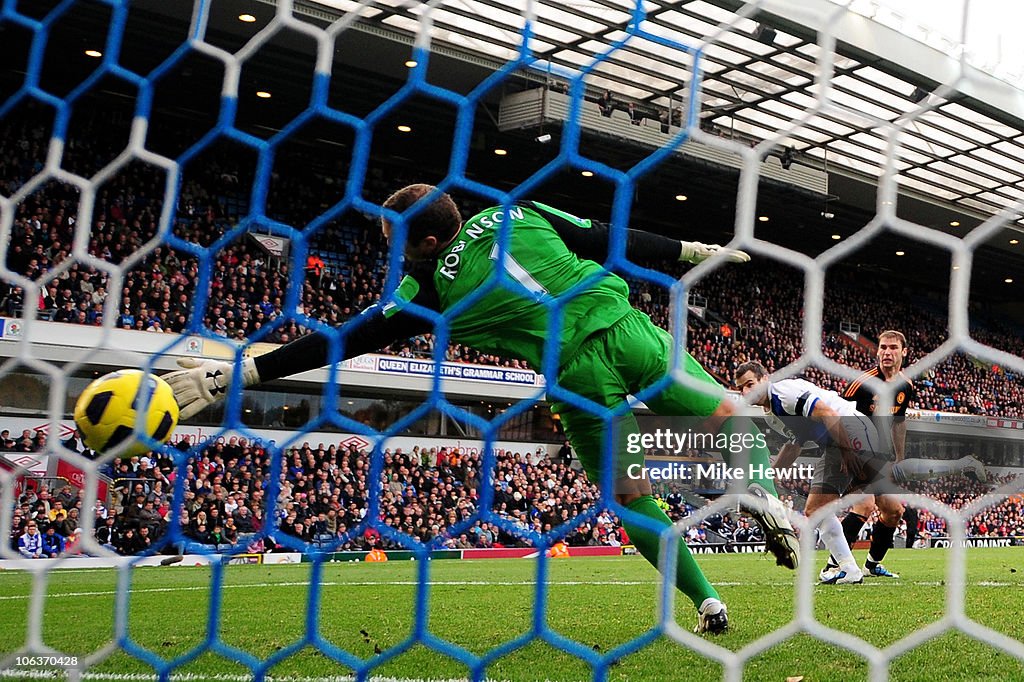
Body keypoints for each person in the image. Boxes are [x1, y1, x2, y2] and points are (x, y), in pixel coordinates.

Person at [165, 184, 799, 634]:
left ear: (432, 240)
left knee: (631, 499)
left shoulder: (429, 287)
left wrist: (245, 370)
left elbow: (347, 338)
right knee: (728, 416)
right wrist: (689, 249)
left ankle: (709, 604)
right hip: (620, 325)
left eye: (399, 246)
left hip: (572, 377)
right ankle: (757, 490)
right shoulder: (517, 211)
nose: (396, 257)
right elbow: (605, 237)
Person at [735, 360, 884, 585]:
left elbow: (828, 412)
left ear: (765, 378)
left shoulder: (784, 393)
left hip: (849, 430)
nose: (746, 391)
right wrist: (769, 480)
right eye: (741, 388)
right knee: (862, 505)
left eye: (750, 384)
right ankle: (846, 567)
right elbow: (795, 444)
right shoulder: (772, 413)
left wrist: (846, 450)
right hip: (845, 436)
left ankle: (848, 568)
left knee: (816, 508)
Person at [824, 330, 915, 580]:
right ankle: (834, 565)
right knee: (864, 504)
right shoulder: (862, 383)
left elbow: (899, 422)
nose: (887, 352)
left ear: (903, 352)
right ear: (877, 351)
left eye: (893, 348)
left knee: (894, 512)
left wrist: (899, 458)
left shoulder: (905, 386)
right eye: (883, 347)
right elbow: (836, 416)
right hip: (855, 450)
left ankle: (872, 565)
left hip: (880, 457)